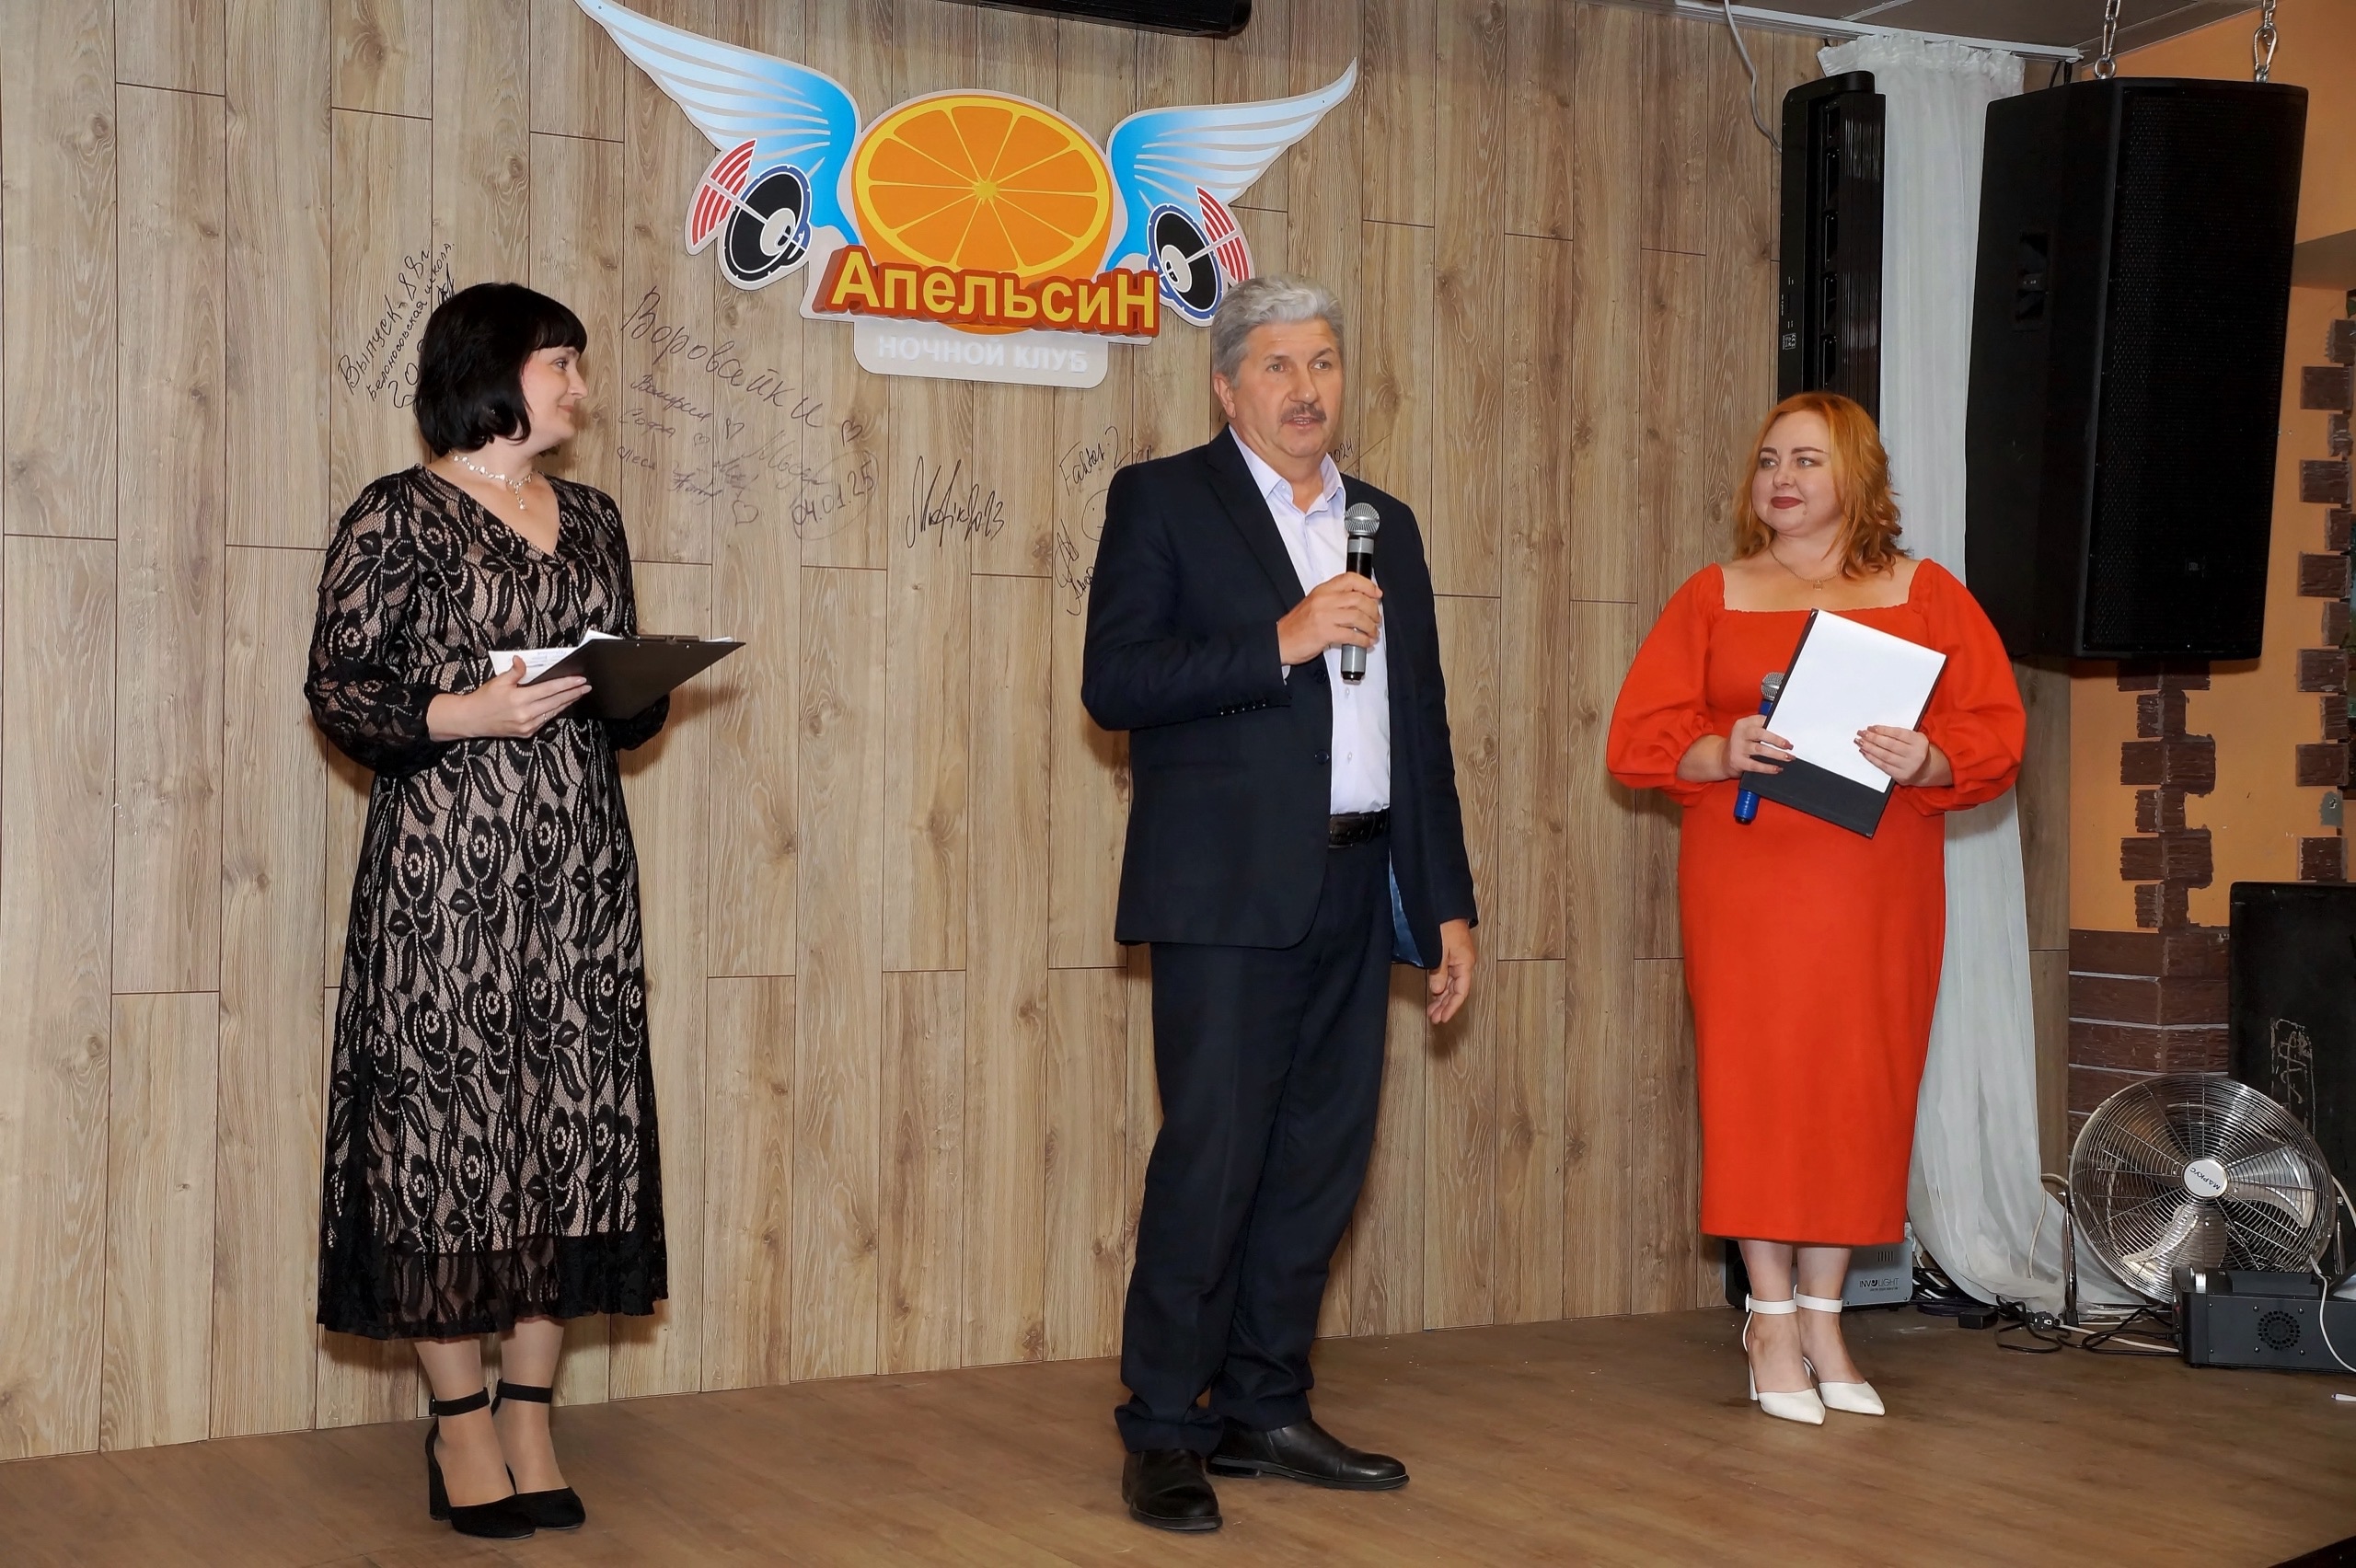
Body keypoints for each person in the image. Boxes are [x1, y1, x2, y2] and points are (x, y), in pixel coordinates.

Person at [1081, 275, 1479, 1532]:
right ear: (1226, 386)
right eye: (1278, 366)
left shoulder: (1383, 522)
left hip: (1362, 878)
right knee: (1212, 1161)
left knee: (1320, 1160)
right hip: (1226, 888)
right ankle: (1164, 1426)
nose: (1307, 390)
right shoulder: (1162, 500)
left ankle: (1263, 1404)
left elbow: (1418, 724)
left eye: (1324, 364)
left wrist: (1447, 903)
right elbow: (1116, 681)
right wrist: (1281, 640)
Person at [308, 282, 669, 1538]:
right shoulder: (396, 514)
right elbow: (340, 689)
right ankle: (459, 1425)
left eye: (577, 364)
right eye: (560, 362)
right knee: (444, 1138)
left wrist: (635, 685)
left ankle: (530, 1414)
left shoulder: (595, 517)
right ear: (491, 371)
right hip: (444, 877)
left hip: (578, 874)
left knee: (567, 1128)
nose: (579, 387)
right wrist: (464, 710)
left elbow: (623, 712)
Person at [1605, 391, 2024, 1425]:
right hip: (1747, 879)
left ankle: (1827, 1318)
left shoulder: (1928, 594)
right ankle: (1770, 1316)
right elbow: (1638, 738)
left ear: (1856, 478)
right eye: (1768, 460)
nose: (1780, 479)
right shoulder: (1713, 594)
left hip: (1877, 884)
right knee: (1759, 1084)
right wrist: (1720, 748)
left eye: (1806, 460)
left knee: (1856, 1084)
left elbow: (1994, 731)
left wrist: (1930, 757)